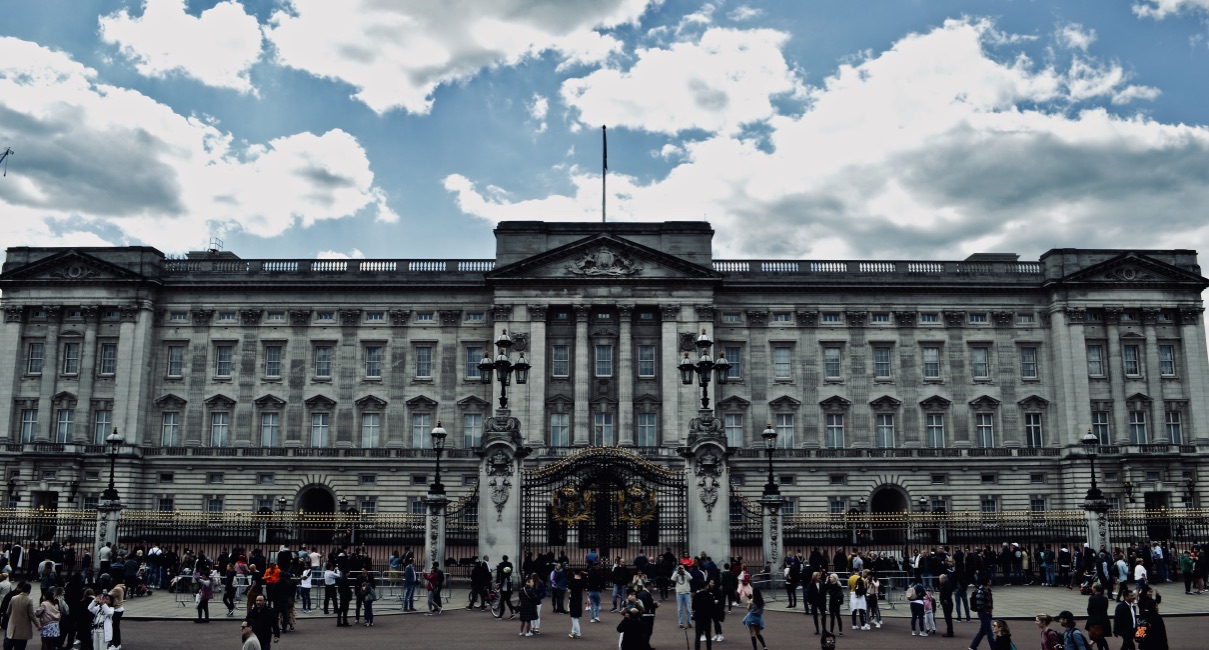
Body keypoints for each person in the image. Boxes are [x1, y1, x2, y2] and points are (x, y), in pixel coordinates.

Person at [969, 576, 994, 649]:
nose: (990, 581)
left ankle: (973, 646)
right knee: (990, 633)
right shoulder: (981, 591)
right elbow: (979, 605)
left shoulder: (987, 590)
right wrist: (986, 611)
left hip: (988, 613)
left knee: (982, 632)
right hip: (984, 614)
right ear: (987, 582)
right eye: (989, 580)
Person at [1085, 582, 1112, 650]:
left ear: (1095, 589)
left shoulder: (1092, 598)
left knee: (1098, 637)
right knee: (1100, 637)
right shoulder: (1105, 598)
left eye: (1093, 587)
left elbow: (1089, 610)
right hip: (1104, 620)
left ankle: (1106, 648)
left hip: (1095, 621)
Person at [692, 578, 716, 650]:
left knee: (698, 636)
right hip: (707, 617)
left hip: (699, 617)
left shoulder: (696, 596)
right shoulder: (710, 595)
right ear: (706, 586)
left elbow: (693, 607)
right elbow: (712, 606)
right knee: (708, 636)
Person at [741, 585, 767, 650]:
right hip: (758, 618)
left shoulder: (752, 601)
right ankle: (764, 646)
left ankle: (755, 648)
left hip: (751, 617)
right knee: (758, 633)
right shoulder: (762, 601)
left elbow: (748, 609)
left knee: (752, 634)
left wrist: (749, 603)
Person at [674, 564, 693, 629]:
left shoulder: (686, 575)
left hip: (687, 593)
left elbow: (691, 578)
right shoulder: (677, 575)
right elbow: (672, 578)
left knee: (688, 609)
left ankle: (689, 622)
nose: (681, 569)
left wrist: (684, 571)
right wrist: (676, 571)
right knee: (680, 609)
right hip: (679, 593)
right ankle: (680, 623)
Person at [567, 568, 584, 639]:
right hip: (579, 599)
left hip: (573, 599)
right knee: (576, 617)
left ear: (574, 573)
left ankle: (578, 633)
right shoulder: (582, 581)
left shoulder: (571, 581)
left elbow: (569, 590)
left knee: (574, 618)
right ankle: (573, 632)